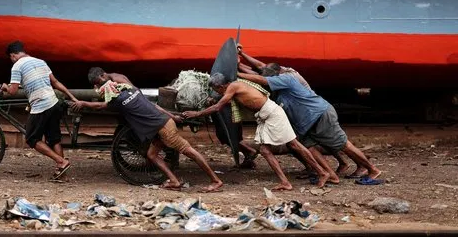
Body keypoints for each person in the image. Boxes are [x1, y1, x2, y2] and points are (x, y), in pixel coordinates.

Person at [72, 67, 223, 192]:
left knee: (190, 152)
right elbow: (155, 106)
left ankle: (215, 181)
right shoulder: (132, 89)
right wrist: (172, 115)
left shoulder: (116, 101)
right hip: (162, 125)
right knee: (151, 154)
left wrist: (83, 103)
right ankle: (174, 181)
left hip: (164, 128)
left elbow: (99, 106)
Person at [183, 73, 330, 191]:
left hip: (272, 114)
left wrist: (196, 114)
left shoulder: (233, 87)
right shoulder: (236, 86)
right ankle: (286, 182)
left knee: (294, 145)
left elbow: (218, 107)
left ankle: (321, 172)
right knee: (266, 150)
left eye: (217, 91)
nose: (218, 93)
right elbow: (240, 100)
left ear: (221, 86)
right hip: (266, 115)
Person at [240, 68, 383, 184]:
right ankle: (330, 175)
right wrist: (238, 63)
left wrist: (236, 75)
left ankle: (372, 169)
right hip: (305, 123)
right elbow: (258, 76)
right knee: (308, 147)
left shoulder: (287, 78)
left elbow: (262, 79)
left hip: (319, 114)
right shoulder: (277, 91)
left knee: (343, 144)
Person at [0, 41, 79, 180]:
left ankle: (61, 161)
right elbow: (55, 82)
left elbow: (12, 91)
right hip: (54, 102)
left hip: (41, 105)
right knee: (54, 139)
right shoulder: (40, 61)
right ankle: (62, 175)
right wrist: (72, 97)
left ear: (12, 55)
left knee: (31, 138)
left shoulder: (17, 66)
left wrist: (5, 86)